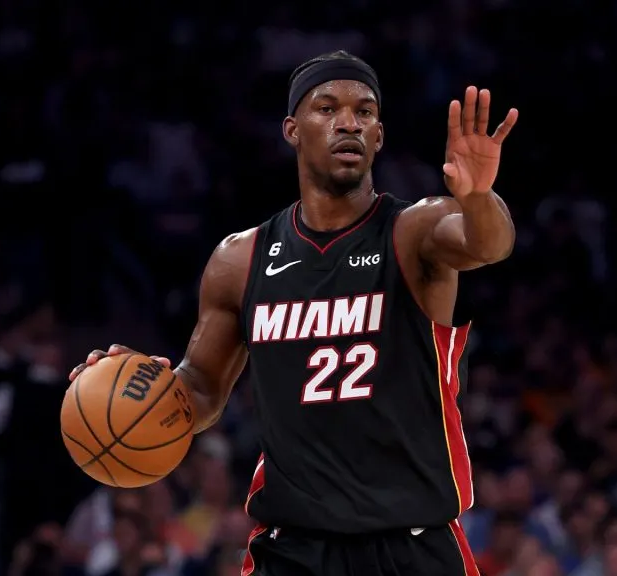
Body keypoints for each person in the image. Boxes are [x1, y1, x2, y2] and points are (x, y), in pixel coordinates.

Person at [70, 50, 518, 576]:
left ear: (378, 136)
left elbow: (487, 244)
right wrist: (139, 384)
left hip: (411, 543)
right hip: (294, 547)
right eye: (327, 109)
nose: (348, 122)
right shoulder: (239, 259)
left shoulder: (414, 230)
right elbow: (202, 389)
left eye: (364, 112)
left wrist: (479, 197)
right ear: (292, 130)